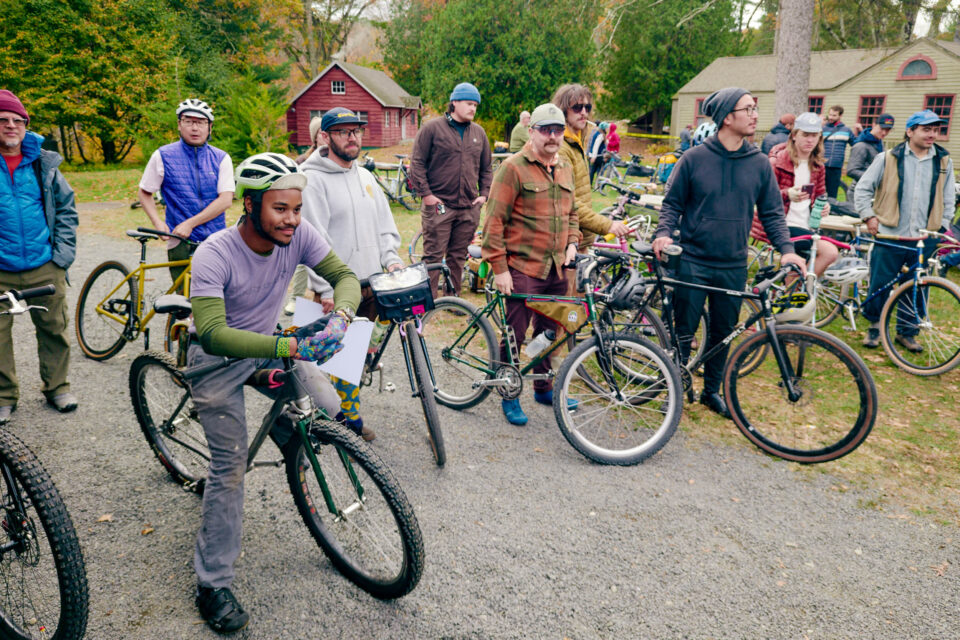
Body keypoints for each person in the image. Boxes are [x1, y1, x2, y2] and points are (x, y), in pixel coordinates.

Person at [187, 152, 360, 633]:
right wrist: (288, 343)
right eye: (280, 209)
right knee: (231, 467)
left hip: (269, 346)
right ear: (251, 205)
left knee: (327, 408)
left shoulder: (298, 236)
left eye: (297, 208)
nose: (292, 219)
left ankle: (284, 427)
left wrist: (341, 318)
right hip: (218, 361)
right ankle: (212, 582)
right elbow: (213, 333)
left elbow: (345, 278)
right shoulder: (214, 252)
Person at [651, 87, 804, 419]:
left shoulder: (759, 164)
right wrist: (663, 234)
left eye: (754, 108)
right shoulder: (693, 159)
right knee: (682, 331)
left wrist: (787, 251)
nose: (754, 114)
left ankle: (712, 391)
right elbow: (672, 205)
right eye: (747, 109)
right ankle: (674, 388)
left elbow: (773, 214)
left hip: (733, 263)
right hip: (692, 260)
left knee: (723, 332)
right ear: (726, 117)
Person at [301, 107, 405, 441]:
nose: (352, 137)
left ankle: (346, 414)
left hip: (370, 284)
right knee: (328, 356)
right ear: (326, 136)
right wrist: (326, 289)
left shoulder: (365, 176)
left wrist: (391, 260)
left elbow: (385, 226)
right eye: (344, 131)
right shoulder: (312, 179)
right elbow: (314, 239)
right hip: (335, 288)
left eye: (356, 131)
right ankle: (333, 420)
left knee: (355, 353)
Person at [481, 103, 580, 426]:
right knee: (515, 334)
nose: (553, 137)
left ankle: (543, 386)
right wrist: (499, 268)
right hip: (522, 267)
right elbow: (493, 221)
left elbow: (573, 213)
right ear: (532, 131)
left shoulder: (564, 165)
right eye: (546, 130)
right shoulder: (513, 168)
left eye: (558, 130)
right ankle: (509, 393)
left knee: (550, 332)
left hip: (556, 269)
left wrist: (572, 242)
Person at [0, 89, 79, 424]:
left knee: (54, 329)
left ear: (26, 125)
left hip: (45, 265)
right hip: (1, 269)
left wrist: (61, 256)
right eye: (3, 120)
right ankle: (4, 396)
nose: (11, 126)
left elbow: (66, 208)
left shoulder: (43, 163)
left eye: (18, 120)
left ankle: (57, 387)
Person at [854, 110, 956, 350]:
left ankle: (907, 332)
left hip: (924, 237)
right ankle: (874, 327)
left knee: (918, 285)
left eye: (935, 130)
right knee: (881, 283)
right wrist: (868, 216)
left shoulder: (943, 161)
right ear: (910, 132)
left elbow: (949, 197)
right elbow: (863, 189)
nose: (932, 134)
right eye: (926, 129)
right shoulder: (888, 157)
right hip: (891, 233)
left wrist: (941, 226)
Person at [409, 82, 492, 297]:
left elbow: (486, 168)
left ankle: (452, 299)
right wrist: (426, 195)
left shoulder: (479, 133)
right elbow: (417, 163)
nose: (473, 108)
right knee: (433, 256)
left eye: (475, 105)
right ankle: (428, 301)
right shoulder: (432, 129)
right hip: (440, 205)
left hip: (468, 207)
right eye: (468, 103)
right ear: (454, 103)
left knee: (458, 256)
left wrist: (484, 195)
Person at [138, 99, 234, 284]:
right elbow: (144, 192)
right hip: (179, 240)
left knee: (215, 297)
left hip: (215, 239)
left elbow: (226, 200)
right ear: (179, 125)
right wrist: (158, 222)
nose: (194, 128)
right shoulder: (163, 155)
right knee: (183, 301)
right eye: (188, 121)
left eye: (200, 122)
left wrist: (190, 223)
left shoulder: (221, 158)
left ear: (210, 127)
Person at [751, 112, 837, 277]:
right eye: (805, 135)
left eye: (814, 136)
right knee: (829, 252)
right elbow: (760, 197)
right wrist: (786, 194)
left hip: (805, 225)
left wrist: (824, 206)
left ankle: (794, 292)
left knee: (822, 256)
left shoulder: (818, 166)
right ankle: (797, 291)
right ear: (794, 135)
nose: (810, 140)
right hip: (780, 225)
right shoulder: (776, 162)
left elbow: (819, 195)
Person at [552, 84, 629, 258]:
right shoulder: (561, 147)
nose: (584, 112)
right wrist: (606, 225)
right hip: (566, 241)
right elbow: (568, 200)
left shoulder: (576, 142)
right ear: (563, 110)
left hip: (579, 236)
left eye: (587, 107)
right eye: (577, 107)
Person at [846, 113, 894, 193]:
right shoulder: (861, 145)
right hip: (858, 192)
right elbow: (852, 170)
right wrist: (875, 178)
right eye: (882, 128)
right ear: (874, 125)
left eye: (888, 130)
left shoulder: (879, 143)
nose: (884, 133)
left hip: (872, 191)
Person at [821, 105, 856, 198]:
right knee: (819, 191)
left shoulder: (847, 130)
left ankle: (831, 210)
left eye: (834, 115)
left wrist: (859, 132)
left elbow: (856, 145)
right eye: (830, 115)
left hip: (836, 166)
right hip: (822, 165)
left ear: (840, 116)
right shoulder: (823, 129)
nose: (831, 117)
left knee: (832, 192)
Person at [587, 121, 608, 186]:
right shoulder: (601, 135)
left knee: (593, 170)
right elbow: (596, 146)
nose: (607, 129)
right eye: (607, 128)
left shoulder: (598, 133)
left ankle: (591, 184)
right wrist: (594, 156)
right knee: (598, 171)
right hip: (598, 156)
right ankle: (597, 185)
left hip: (595, 155)